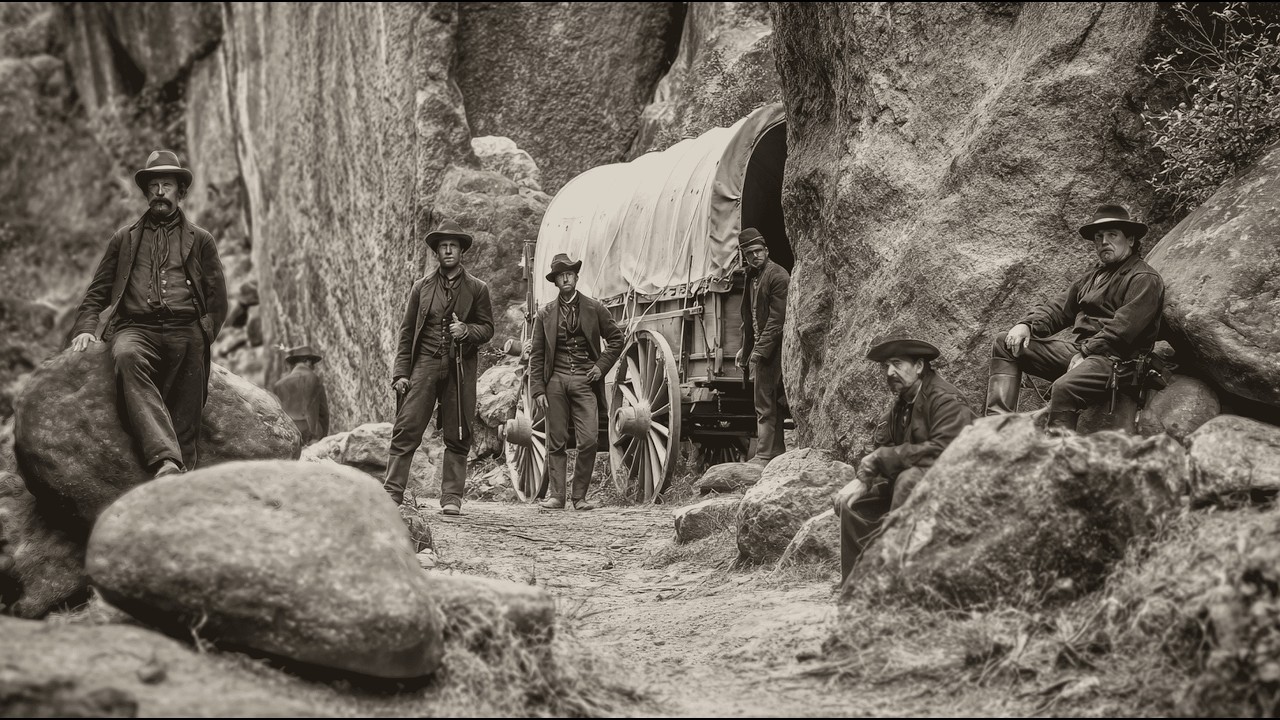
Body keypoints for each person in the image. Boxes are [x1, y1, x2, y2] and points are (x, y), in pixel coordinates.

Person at [69, 150, 227, 478]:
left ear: (180, 192)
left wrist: (205, 335)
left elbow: (218, 298)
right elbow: (97, 292)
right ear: (146, 192)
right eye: (153, 185)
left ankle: (181, 471)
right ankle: (165, 460)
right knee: (126, 356)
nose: (159, 192)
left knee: (189, 386)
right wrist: (85, 327)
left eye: (166, 185)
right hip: (135, 328)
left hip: (186, 328)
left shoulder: (201, 240)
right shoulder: (123, 239)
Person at [985, 204, 1165, 433]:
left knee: (1064, 386)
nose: (1103, 242)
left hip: (1119, 362)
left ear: (1130, 240)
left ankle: (1060, 454)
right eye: (1098, 237)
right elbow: (1059, 309)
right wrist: (1026, 325)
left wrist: (1086, 352)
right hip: (1083, 353)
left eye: (1112, 235)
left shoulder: (1145, 278)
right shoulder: (1093, 277)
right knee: (1004, 343)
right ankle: (995, 428)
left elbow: (1124, 330)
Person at [835, 331, 975, 587]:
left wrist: (877, 462)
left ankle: (898, 584)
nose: (889, 373)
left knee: (908, 479)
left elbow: (946, 450)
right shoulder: (902, 404)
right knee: (853, 503)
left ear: (919, 366)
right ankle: (858, 584)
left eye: (897, 364)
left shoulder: (946, 400)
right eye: (886, 366)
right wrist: (864, 478)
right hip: (916, 488)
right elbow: (883, 446)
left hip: (957, 491)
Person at [383, 220, 494, 515]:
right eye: (443, 246)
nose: (448, 250)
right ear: (436, 252)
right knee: (407, 426)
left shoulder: (478, 288)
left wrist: (467, 331)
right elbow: (407, 333)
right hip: (425, 364)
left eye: (453, 246)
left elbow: (487, 328)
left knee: (459, 430)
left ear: (461, 252)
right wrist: (401, 373)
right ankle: (392, 492)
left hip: (459, 366)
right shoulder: (421, 288)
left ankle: (452, 498)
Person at [529, 253, 624, 511]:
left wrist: (600, 367)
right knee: (556, 440)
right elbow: (537, 355)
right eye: (561, 275)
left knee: (590, 439)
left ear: (576, 277)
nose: (566, 278)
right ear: (556, 281)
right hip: (555, 382)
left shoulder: (595, 308)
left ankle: (579, 497)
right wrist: (538, 389)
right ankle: (557, 496)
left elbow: (617, 340)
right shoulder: (545, 314)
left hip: (585, 380)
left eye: (570, 273)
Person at [735, 227, 789, 467]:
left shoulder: (778, 276)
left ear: (766, 250)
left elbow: (777, 321)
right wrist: (744, 350)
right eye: (749, 254)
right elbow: (750, 319)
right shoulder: (752, 277)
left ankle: (765, 455)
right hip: (764, 347)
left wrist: (758, 352)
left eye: (758, 251)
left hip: (777, 349)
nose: (755, 256)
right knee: (768, 402)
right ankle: (775, 452)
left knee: (766, 404)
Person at [271, 344, 330, 445]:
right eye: (312, 362)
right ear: (307, 361)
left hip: (288, 434)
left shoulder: (278, 385)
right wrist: (319, 438)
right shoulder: (313, 379)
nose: (313, 366)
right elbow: (323, 413)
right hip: (310, 434)